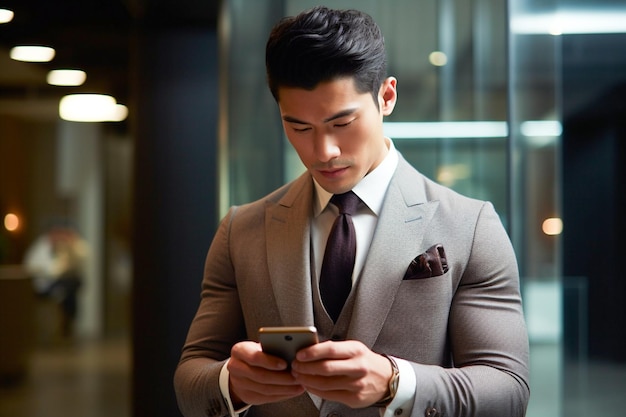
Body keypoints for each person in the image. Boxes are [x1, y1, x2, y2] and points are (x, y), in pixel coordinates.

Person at [174, 6, 529, 417]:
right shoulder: (241, 229)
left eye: (341, 123)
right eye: (300, 128)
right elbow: (190, 380)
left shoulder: (470, 225)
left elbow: (508, 390)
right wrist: (231, 383)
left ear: (387, 97)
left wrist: (396, 383)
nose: (323, 151)